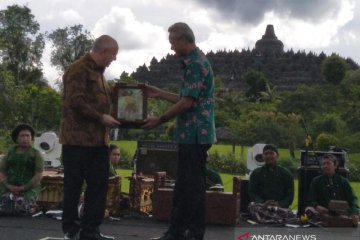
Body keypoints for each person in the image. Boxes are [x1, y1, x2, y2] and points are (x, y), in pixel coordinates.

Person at [142, 22, 216, 240]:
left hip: (195, 134)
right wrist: (159, 93)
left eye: (173, 42)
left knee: (192, 188)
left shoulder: (195, 64)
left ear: (184, 40)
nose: (171, 47)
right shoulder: (194, 62)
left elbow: (187, 103)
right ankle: (176, 232)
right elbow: (186, 98)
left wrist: (160, 119)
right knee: (184, 186)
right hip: (191, 134)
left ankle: (192, 234)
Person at [59, 35, 120, 240]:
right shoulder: (78, 69)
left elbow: (107, 103)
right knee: (73, 187)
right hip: (77, 141)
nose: (114, 59)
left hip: (98, 141)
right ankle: (72, 230)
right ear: (104, 51)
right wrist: (101, 117)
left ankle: (91, 231)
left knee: (98, 188)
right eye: (113, 55)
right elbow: (75, 101)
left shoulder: (101, 74)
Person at [0, 124, 44, 216]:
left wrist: (23, 188)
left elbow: (38, 175)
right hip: (9, 187)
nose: (25, 138)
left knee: (21, 205)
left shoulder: (36, 154)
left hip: (29, 189)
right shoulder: (10, 153)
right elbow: (2, 172)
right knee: (6, 201)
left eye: (28, 136)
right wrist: (8, 186)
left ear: (31, 138)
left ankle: (33, 207)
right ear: (16, 138)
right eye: (22, 136)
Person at [306, 153, 359, 227]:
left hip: (342, 212)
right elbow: (311, 199)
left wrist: (354, 212)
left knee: (356, 214)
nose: (325, 166)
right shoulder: (316, 181)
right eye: (323, 164)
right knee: (309, 209)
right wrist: (316, 206)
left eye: (328, 163)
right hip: (324, 212)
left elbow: (353, 198)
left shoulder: (343, 181)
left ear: (335, 166)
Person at [247, 144, 295, 223]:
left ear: (277, 156)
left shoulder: (286, 173)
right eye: (266, 154)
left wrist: (279, 204)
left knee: (287, 212)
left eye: (271, 153)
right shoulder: (256, 173)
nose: (268, 156)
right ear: (263, 156)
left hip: (279, 207)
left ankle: (266, 219)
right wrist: (263, 203)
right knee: (252, 206)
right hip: (262, 206)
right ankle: (277, 220)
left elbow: (290, 196)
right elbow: (252, 192)